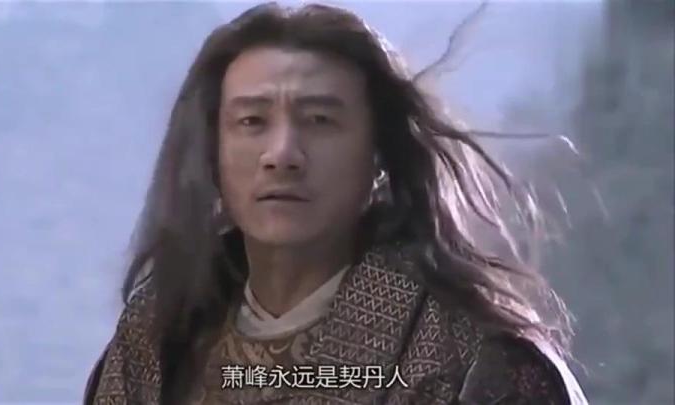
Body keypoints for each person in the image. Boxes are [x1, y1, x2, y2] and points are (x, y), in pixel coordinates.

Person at [84, 2, 588, 404]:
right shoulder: (155, 344)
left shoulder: (480, 361)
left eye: (320, 121)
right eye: (252, 121)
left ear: (378, 154)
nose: (282, 154)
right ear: (212, 154)